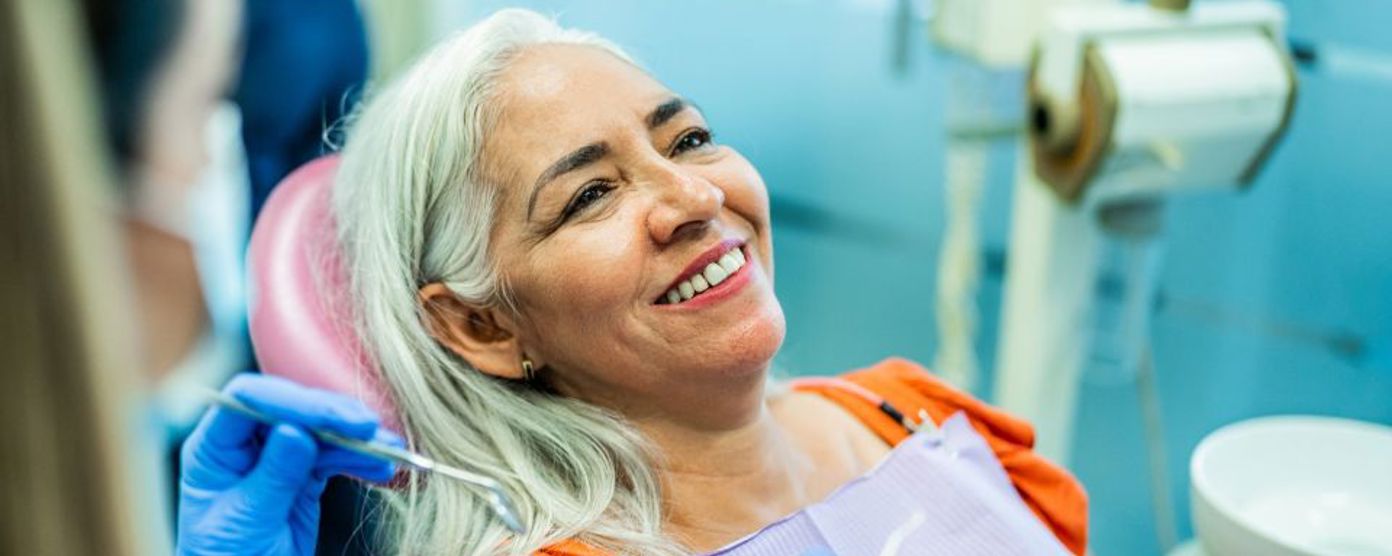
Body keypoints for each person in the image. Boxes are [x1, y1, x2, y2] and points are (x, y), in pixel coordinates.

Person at [178, 8, 1088, 555]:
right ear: (485, 328)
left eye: (687, 138)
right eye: (589, 197)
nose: (692, 195)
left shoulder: (904, 412)